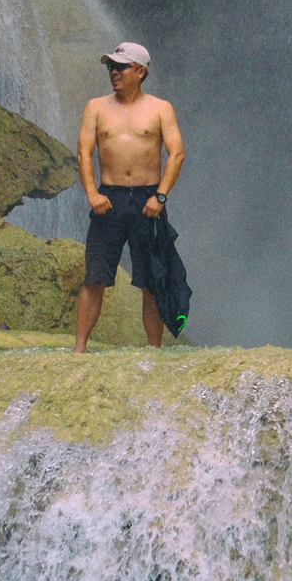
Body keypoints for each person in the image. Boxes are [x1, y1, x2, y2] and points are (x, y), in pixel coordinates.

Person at [75, 41, 186, 352]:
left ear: (140, 71)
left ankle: (154, 351)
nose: (114, 72)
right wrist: (92, 193)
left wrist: (160, 197)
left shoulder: (161, 108)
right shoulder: (95, 107)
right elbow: (84, 152)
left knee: (151, 281)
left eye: (121, 67)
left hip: (147, 201)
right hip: (108, 199)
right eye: (111, 66)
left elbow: (177, 154)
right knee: (94, 278)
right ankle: (78, 350)